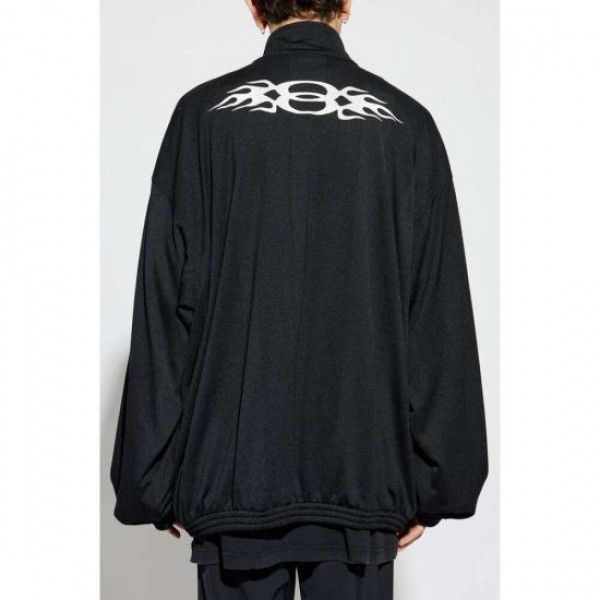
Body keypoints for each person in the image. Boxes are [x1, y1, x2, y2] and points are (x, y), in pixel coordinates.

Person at [110, 1, 489, 598]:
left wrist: (148, 479)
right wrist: (443, 480)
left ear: (254, 6)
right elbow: (437, 313)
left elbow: (163, 307)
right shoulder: (407, 125)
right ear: (347, 4)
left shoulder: (202, 118)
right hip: (362, 481)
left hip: (234, 485)